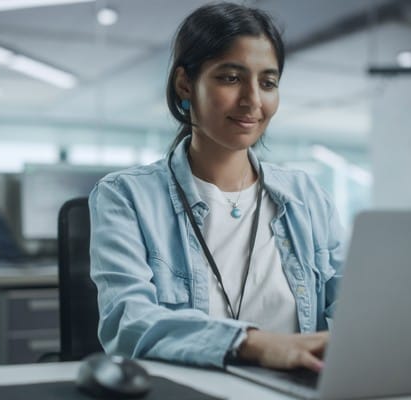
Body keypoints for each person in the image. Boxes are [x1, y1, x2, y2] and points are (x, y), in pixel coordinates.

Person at [88, 2, 344, 373]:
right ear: (185, 84)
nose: (253, 100)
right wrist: (253, 344)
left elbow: (355, 312)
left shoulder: (306, 196)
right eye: (230, 77)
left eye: (268, 83)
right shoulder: (126, 197)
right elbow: (128, 323)